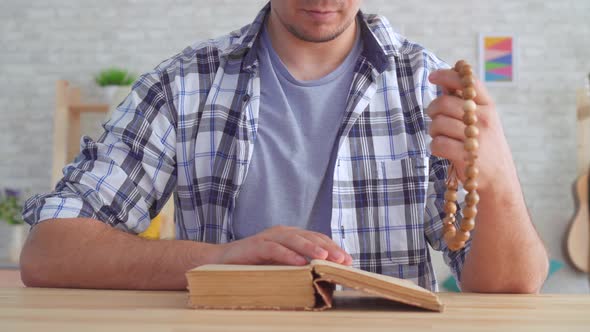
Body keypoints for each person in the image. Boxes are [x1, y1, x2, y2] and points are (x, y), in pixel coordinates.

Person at [20, 0, 548, 292]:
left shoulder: (425, 85)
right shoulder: (184, 83)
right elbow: (50, 252)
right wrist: (218, 260)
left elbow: (512, 285)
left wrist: (496, 177)